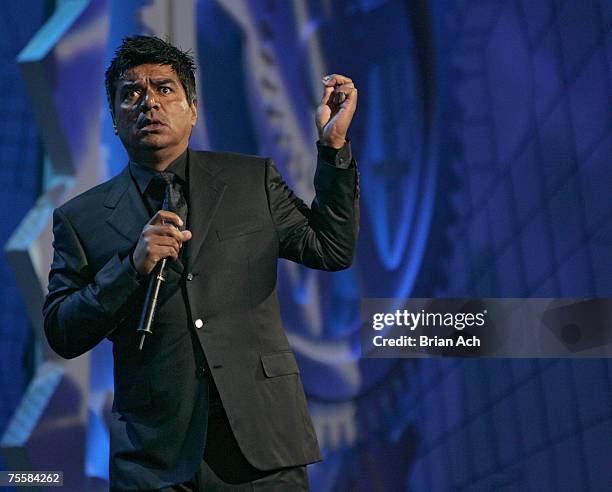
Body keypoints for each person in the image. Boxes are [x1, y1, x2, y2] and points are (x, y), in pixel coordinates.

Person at [43, 35, 358, 492]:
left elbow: (331, 248)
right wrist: (130, 267)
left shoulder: (252, 180)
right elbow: (61, 330)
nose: (148, 102)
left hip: (262, 446)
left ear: (193, 109)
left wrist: (333, 150)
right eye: (131, 93)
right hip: (154, 460)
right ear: (114, 119)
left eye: (164, 89)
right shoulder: (81, 219)